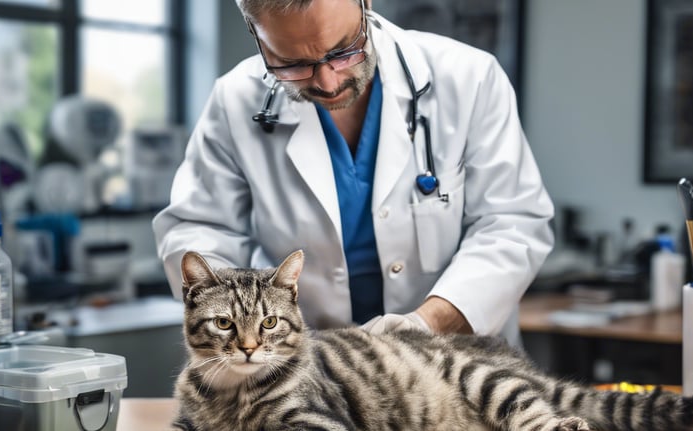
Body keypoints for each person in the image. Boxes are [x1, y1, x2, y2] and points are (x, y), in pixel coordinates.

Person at [152, 0, 554, 346]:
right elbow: (198, 230)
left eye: (345, 50)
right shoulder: (234, 100)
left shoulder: (469, 79)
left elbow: (512, 226)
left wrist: (425, 325)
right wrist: (243, 319)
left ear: (366, 4)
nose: (328, 82)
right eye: (294, 64)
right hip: (302, 376)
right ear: (255, 34)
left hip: (454, 360)